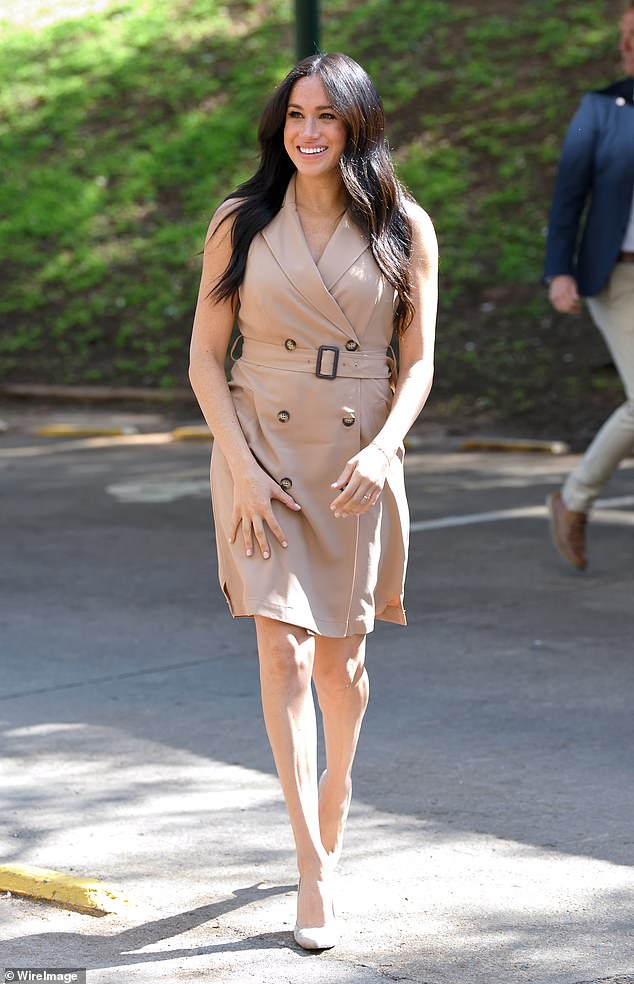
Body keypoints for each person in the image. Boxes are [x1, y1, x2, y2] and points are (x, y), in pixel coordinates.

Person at [189, 53, 437, 949]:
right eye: (296, 114)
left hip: (355, 454)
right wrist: (243, 466)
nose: (309, 131)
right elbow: (203, 360)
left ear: (358, 126)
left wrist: (383, 448)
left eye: (328, 117)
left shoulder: (403, 225)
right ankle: (310, 865)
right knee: (282, 657)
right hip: (260, 446)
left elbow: (418, 365)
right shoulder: (241, 221)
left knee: (342, 666)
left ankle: (336, 796)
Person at [544, 3, 634, 571]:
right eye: (628, 37)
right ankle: (573, 499)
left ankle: (573, 500)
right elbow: (567, 195)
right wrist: (560, 270)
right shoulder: (600, 108)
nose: (629, 46)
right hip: (618, 275)